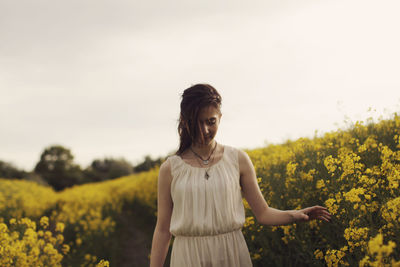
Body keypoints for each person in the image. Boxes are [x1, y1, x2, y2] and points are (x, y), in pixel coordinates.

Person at [149, 84, 331, 267]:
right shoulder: (170, 169)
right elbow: (163, 229)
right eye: (196, 122)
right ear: (184, 120)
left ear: (220, 118)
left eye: (210, 122)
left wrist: (295, 215)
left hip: (232, 253)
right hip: (188, 257)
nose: (204, 130)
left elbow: (264, 213)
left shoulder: (238, 159)